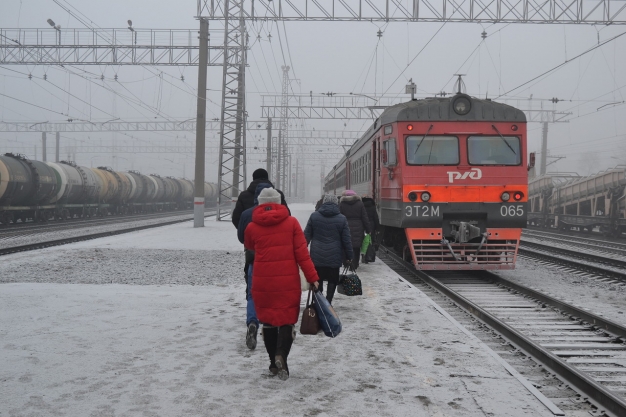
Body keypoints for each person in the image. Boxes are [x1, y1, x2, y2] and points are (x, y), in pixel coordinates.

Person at [244, 188, 320, 381]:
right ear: (279, 202)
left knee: (268, 323)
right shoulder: (292, 223)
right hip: (288, 282)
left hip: (263, 282)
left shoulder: (251, 227)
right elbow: (302, 255)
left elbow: (250, 248)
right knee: (287, 321)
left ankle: (272, 364)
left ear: (260, 203)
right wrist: (312, 277)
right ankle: (281, 357)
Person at [232, 169, 289, 351]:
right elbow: (287, 221)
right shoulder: (279, 198)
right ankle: (272, 323)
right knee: (275, 291)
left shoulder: (246, 206)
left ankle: (252, 322)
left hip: (253, 256)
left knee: (252, 292)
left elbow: (238, 225)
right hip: (278, 258)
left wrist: (251, 237)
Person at [237, 183, 274, 350]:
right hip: (274, 262)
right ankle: (269, 325)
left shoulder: (246, 214)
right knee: (272, 294)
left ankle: (252, 322)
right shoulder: (280, 214)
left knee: (252, 294)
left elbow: (241, 237)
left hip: (254, 261)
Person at [304, 194, 353, 304]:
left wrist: (301, 251)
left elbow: (306, 236)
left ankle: (319, 301)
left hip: (317, 256)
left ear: (323, 203)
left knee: (318, 279)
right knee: (332, 280)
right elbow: (346, 240)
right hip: (334, 257)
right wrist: (349, 256)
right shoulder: (342, 219)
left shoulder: (314, 216)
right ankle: (328, 301)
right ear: (337, 203)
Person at [339, 190, 371, 271]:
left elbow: (339, 216)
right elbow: (364, 217)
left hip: (345, 226)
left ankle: (346, 263)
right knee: (356, 247)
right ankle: (355, 264)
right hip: (358, 227)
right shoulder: (360, 204)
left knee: (345, 245)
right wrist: (368, 229)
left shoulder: (342, 204)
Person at [361, 195, 379, 263]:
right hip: (371, 226)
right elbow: (376, 219)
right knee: (370, 241)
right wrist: (377, 228)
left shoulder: (361, 207)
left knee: (363, 241)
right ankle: (369, 257)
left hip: (363, 226)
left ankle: (363, 255)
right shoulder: (373, 207)